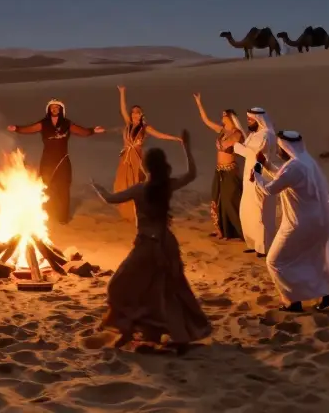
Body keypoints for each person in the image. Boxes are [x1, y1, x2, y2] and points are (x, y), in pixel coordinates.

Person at [91, 130, 212, 352]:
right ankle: (175, 336)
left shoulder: (141, 189)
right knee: (169, 291)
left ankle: (132, 329)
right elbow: (192, 174)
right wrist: (186, 146)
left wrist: (97, 188)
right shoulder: (166, 186)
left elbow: (111, 198)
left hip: (147, 246)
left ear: (146, 167)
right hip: (166, 244)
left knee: (120, 285)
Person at [248, 129, 329, 313]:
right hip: (318, 221)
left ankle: (292, 301)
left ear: (286, 148)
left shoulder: (294, 167)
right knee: (310, 258)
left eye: (280, 147)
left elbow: (270, 189)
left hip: (299, 223)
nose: (278, 150)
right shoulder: (306, 162)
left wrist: (256, 174)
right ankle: (325, 295)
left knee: (275, 261)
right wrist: (266, 164)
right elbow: (284, 178)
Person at [7, 99, 106, 224]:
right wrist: (16, 128)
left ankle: (63, 218)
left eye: (57, 107)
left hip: (63, 160)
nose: (54, 109)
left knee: (63, 189)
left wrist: (93, 131)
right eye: (52, 107)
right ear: (49, 109)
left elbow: (82, 131)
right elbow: (29, 129)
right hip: (47, 161)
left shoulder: (66, 123)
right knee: (45, 187)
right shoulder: (44, 123)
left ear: (61, 110)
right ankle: (43, 216)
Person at [113, 86, 182, 223]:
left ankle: (140, 212)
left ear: (141, 115)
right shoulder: (128, 124)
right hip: (125, 159)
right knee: (123, 185)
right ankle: (127, 213)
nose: (134, 115)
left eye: (137, 112)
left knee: (136, 185)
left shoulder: (145, 128)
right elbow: (122, 109)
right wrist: (122, 93)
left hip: (136, 160)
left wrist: (176, 138)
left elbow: (160, 135)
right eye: (133, 112)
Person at [193, 93, 246, 240]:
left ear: (231, 118)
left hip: (230, 171)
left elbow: (229, 145)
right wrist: (199, 103)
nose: (222, 117)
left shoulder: (237, 134)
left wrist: (224, 143)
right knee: (216, 200)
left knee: (230, 201)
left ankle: (239, 231)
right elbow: (206, 121)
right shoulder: (222, 130)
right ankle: (220, 230)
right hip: (219, 171)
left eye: (224, 115)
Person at [233, 107, 280, 257]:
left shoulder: (266, 135)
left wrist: (236, 146)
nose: (248, 122)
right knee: (248, 211)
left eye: (250, 120)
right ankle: (254, 243)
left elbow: (254, 154)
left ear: (258, 120)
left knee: (261, 213)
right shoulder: (255, 135)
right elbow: (247, 148)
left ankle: (263, 247)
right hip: (250, 177)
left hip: (261, 176)